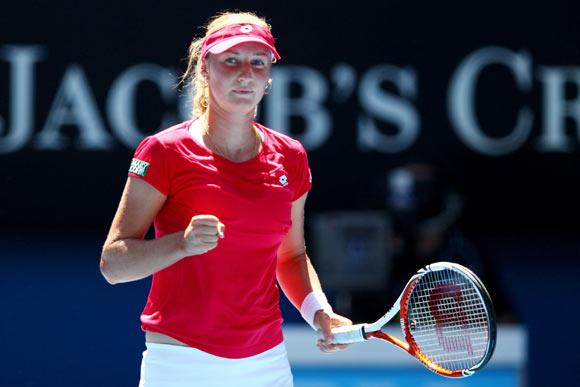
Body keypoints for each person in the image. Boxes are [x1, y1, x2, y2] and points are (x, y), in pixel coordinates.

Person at [99, 11, 351, 387]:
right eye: (230, 60)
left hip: (267, 362)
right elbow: (113, 265)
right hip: (180, 363)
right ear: (205, 68)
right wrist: (181, 245)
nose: (245, 73)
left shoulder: (292, 156)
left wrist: (320, 312)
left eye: (257, 62)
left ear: (268, 76)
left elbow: (290, 255)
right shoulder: (163, 151)